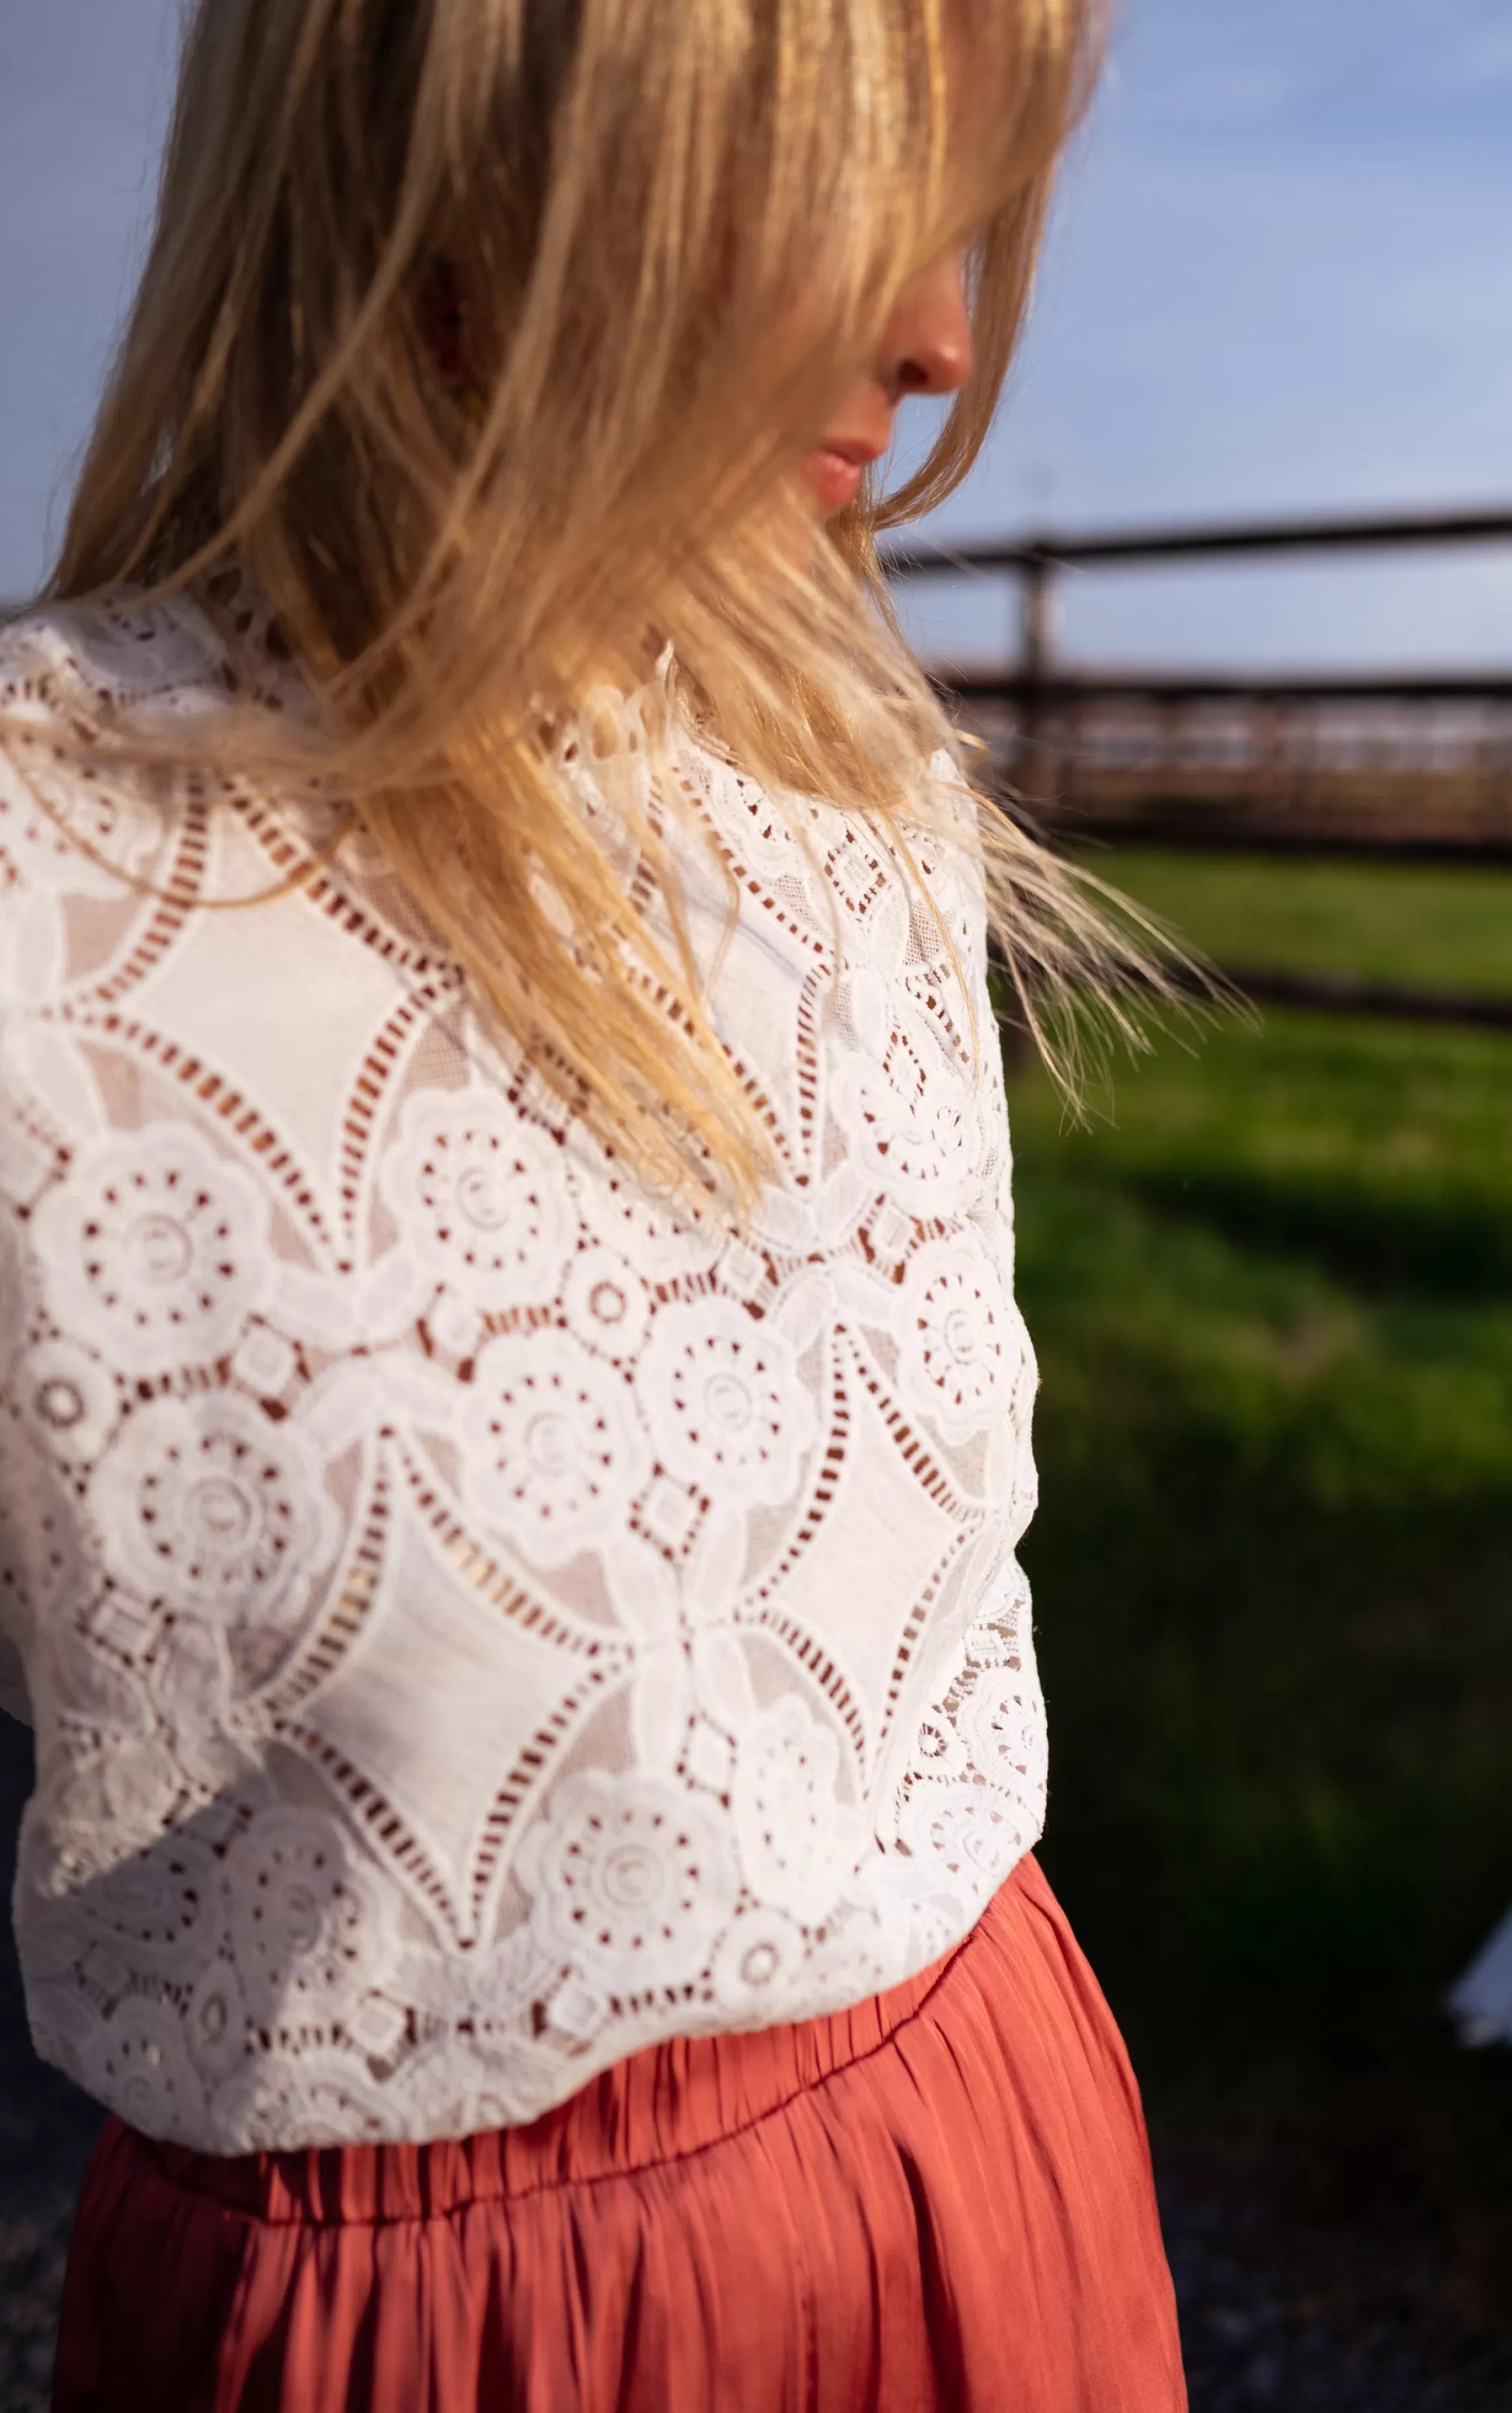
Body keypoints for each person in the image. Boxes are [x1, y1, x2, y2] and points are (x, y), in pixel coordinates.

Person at [0, 0, 1189, 2405]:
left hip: (999, 2176)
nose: (943, 338)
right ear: (493, 132)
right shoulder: (55, 886)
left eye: (971, 207)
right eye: (859, 183)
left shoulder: (862, 805)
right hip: (434, 2335)